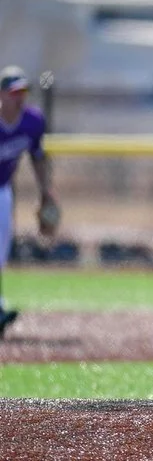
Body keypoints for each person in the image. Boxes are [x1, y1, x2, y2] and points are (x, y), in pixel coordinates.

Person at [0, 65, 56, 340]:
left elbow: (37, 157)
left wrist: (46, 193)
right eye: (13, 92)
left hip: (2, 191)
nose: (19, 97)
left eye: (22, 91)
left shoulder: (32, 122)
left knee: (0, 252)